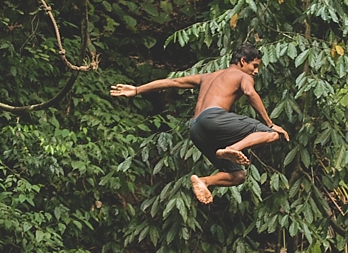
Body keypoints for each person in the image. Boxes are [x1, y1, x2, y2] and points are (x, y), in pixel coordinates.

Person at [110, 42, 289, 205]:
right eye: (254, 66)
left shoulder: (208, 76)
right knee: (271, 134)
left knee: (238, 176)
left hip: (196, 129)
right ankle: (234, 148)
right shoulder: (242, 75)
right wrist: (270, 123)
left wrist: (137, 89)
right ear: (243, 61)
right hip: (213, 117)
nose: (256, 71)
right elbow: (250, 94)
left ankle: (204, 181)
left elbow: (173, 82)